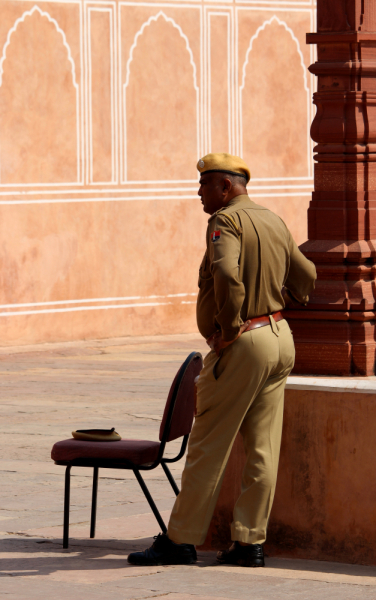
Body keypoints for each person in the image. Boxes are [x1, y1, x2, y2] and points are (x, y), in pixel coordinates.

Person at [128, 153, 316, 567]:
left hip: (244, 343)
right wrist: (282, 302)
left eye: (204, 184)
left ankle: (179, 540)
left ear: (226, 188)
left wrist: (229, 329)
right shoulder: (272, 220)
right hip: (280, 338)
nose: (199, 192)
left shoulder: (225, 222)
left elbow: (227, 275)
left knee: (208, 446)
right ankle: (249, 543)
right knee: (263, 449)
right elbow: (306, 274)